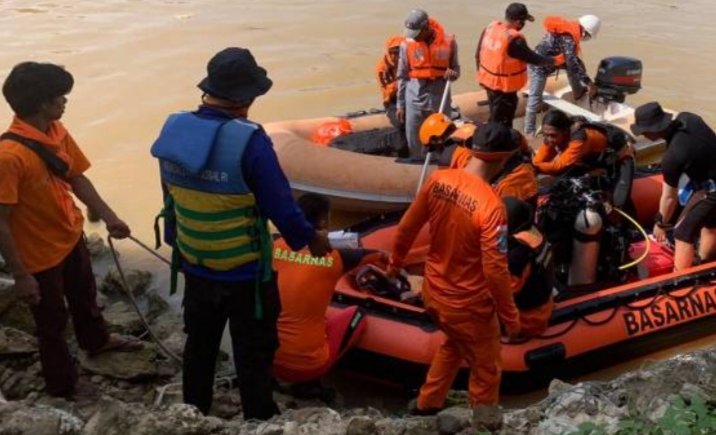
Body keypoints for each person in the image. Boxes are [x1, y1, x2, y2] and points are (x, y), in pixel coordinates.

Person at [151, 47, 332, 420]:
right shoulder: (250, 141)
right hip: (246, 275)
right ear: (247, 98)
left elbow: (170, 198)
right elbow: (281, 206)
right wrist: (311, 239)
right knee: (254, 352)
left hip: (196, 265)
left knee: (199, 346)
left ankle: (193, 415)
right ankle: (258, 419)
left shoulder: (173, 128)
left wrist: (177, 243)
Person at [0, 62, 143, 401]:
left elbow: (76, 177)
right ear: (42, 104)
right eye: (60, 97)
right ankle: (63, 385)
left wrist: (109, 217)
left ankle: (96, 341)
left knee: (85, 295)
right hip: (38, 255)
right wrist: (21, 274)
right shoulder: (9, 157)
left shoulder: (56, 131)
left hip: (69, 235)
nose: (65, 101)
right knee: (51, 323)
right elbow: (1, 219)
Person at [386, 123, 524, 424]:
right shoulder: (492, 207)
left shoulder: (438, 180)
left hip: (434, 293)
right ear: (503, 159)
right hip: (468, 305)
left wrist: (395, 264)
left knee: (453, 345)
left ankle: (427, 405)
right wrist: (510, 317)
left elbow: (407, 228)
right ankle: (485, 424)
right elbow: (495, 269)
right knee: (487, 367)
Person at [272, 193, 385, 400]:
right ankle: (312, 383)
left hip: (266, 360)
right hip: (307, 367)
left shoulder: (274, 245)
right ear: (324, 221)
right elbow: (381, 255)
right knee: (357, 314)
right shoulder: (337, 256)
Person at [631, 102, 716, 272]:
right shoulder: (689, 118)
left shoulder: (673, 157)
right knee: (711, 224)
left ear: (653, 131)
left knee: (681, 233)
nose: (643, 135)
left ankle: (680, 278)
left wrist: (661, 223)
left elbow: (669, 197)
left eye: (643, 131)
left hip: (713, 190)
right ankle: (706, 264)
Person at [420, 113, 538, 206]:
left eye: (433, 149)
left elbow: (451, 193)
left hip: (504, 193)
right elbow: (516, 135)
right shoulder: (477, 126)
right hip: (527, 178)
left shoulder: (446, 159)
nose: (436, 153)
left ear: (437, 140)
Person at [532, 109, 636, 210]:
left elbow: (559, 166)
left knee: (618, 201)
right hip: (591, 161)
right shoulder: (552, 136)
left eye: (552, 135)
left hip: (620, 157)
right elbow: (537, 162)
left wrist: (534, 168)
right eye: (545, 135)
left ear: (565, 131)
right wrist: (531, 168)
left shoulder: (580, 138)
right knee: (560, 186)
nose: (549, 139)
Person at [475, 3, 557, 127]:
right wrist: (554, 61)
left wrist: (481, 76)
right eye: (523, 22)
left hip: (489, 83)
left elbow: (477, 55)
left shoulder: (490, 28)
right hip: (504, 89)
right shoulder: (514, 40)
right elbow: (536, 60)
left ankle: (494, 132)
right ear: (519, 22)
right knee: (503, 123)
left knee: (495, 115)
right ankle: (499, 137)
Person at [523, 14, 602, 137]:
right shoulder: (569, 38)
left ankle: (578, 92)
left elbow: (572, 61)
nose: (586, 38)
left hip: (554, 60)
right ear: (584, 31)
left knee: (578, 65)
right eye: (588, 35)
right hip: (538, 67)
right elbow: (571, 64)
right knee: (535, 99)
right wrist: (589, 83)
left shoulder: (570, 31)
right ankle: (529, 132)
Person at [395, 9, 460, 157]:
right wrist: (401, 104)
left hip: (439, 100)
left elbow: (456, 70)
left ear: (426, 28)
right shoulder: (407, 44)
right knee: (414, 141)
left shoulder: (449, 42)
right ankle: (415, 163)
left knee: (442, 139)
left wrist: (453, 74)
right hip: (414, 99)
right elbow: (402, 76)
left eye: (416, 34)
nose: (413, 37)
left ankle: (440, 163)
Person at [502, 197, 554, 336]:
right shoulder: (532, 231)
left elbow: (502, 293)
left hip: (527, 319)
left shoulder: (517, 257)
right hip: (544, 303)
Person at [375, 33, 404, 129]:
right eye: (394, 52)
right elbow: (387, 92)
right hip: (393, 100)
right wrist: (402, 83)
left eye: (400, 51)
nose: (398, 55)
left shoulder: (411, 62)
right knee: (400, 122)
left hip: (410, 95)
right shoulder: (382, 69)